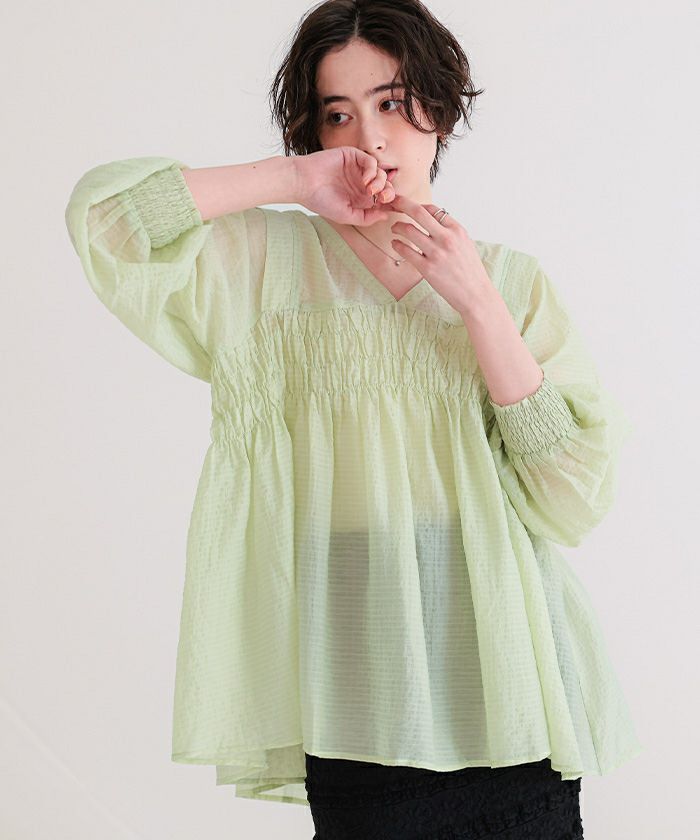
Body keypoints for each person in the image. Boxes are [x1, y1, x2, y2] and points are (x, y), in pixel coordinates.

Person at [64, 0, 643, 836]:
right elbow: (106, 222)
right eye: (338, 114)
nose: (370, 138)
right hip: (353, 683)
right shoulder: (261, 267)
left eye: (392, 102)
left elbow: (572, 498)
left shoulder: (511, 283)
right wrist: (295, 180)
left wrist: (478, 304)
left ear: (439, 110)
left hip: (509, 687)